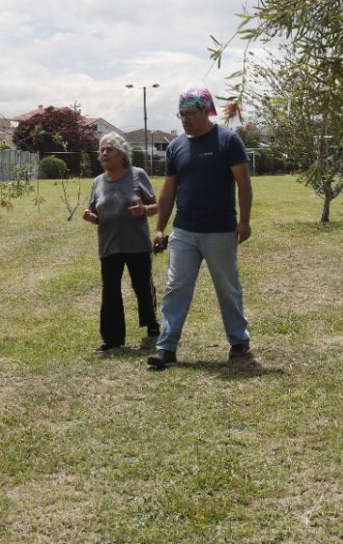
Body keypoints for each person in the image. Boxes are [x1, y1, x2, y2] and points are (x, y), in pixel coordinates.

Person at [147, 87, 253, 369]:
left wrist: (244, 221)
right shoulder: (175, 147)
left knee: (227, 287)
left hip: (220, 230)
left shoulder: (227, 141)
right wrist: (160, 228)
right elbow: (168, 191)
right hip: (184, 230)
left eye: (190, 113)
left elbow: (244, 184)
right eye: (181, 114)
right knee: (176, 287)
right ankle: (166, 348)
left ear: (206, 111)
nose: (185, 119)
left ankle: (239, 341)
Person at [83, 132, 160, 354]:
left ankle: (152, 324)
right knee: (110, 291)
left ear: (122, 154)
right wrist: (91, 217)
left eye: (110, 149)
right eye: (102, 150)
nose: (104, 153)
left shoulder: (137, 175)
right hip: (109, 245)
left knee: (142, 287)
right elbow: (96, 212)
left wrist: (143, 210)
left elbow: (156, 206)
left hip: (136, 244)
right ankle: (113, 339)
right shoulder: (98, 182)